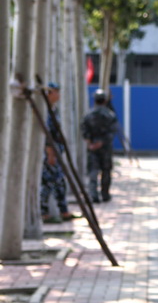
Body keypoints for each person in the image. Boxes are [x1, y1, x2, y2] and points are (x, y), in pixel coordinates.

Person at [39, 82, 73, 222]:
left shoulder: (54, 110)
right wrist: (50, 153)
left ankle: (63, 210)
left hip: (56, 150)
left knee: (59, 182)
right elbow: (48, 135)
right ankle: (44, 213)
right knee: (49, 182)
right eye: (55, 92)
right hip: (50, 152)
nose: (58, 95)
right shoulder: (45, 111)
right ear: (48, 94)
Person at [81, 90, 119, 203]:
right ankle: (105, 194)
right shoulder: (110, 115)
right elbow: (112, 131)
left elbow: (84, 129)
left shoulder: (88, 115)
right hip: (105, 148)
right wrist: (102, 142)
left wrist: (90, 143)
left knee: (93, 171)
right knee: (106, 171)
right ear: (105, 100)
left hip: (92, 148)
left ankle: (93, 194)